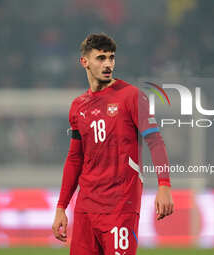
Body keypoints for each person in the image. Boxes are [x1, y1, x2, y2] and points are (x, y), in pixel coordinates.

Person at [52, 33, 174, 255]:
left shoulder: (132, 97)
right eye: (101, 58)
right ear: (85, 62)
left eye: (111, 58)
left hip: (120, 207)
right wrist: (61, 207)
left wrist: (164, 184)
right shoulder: (78, 106)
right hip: (86, 209)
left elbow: (154, 141)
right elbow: (74, 159)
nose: (108, 64)